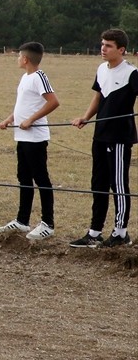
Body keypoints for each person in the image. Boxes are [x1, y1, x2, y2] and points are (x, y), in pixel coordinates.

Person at [69, 28, 137, 248]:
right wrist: (86, 117)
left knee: (118, 184)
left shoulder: (132, 73)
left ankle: (120, 233)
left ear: (121, 49)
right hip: (100, 134)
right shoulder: (101, 69)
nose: (103, 48)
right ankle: (94, 232)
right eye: (102, 44)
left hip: (118, 137)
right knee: (97, 184)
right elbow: (98, 95)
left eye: (108, 45)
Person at [0, 42, 59, 241]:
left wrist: (31, 120)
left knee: (41, 179)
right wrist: (9, 119)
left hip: (35, 139)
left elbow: (53, 102)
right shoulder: (25, 77)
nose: (17, 59)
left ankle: (48, 224)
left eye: (19, 56)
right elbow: (22, 105)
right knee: (23, 178)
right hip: (22, 137)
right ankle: (22, 221)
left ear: (25, 59)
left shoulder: (39, 77)